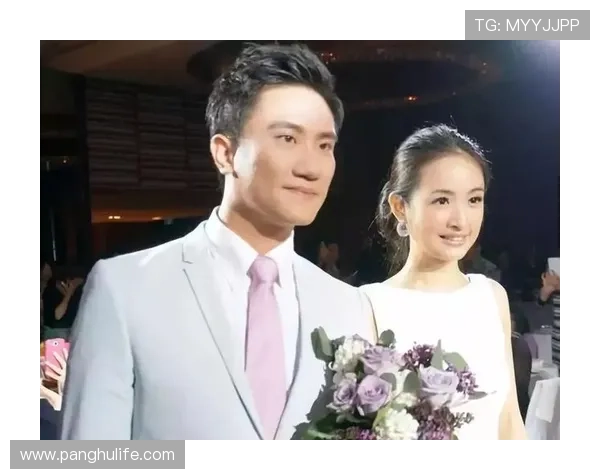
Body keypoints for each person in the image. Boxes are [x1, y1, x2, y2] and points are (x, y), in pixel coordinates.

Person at [60, 43, 373, 440]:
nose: (311, 167)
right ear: (225, 153)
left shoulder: (347, 305)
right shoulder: (124, 288)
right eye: (287, 138)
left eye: (325, 145)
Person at [360, 124, 527, 439]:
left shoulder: (491, 296)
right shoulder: (369, 305)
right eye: (441, 201)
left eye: (474, 200)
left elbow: (509, 419)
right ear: (400, 207)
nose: (460, 220)